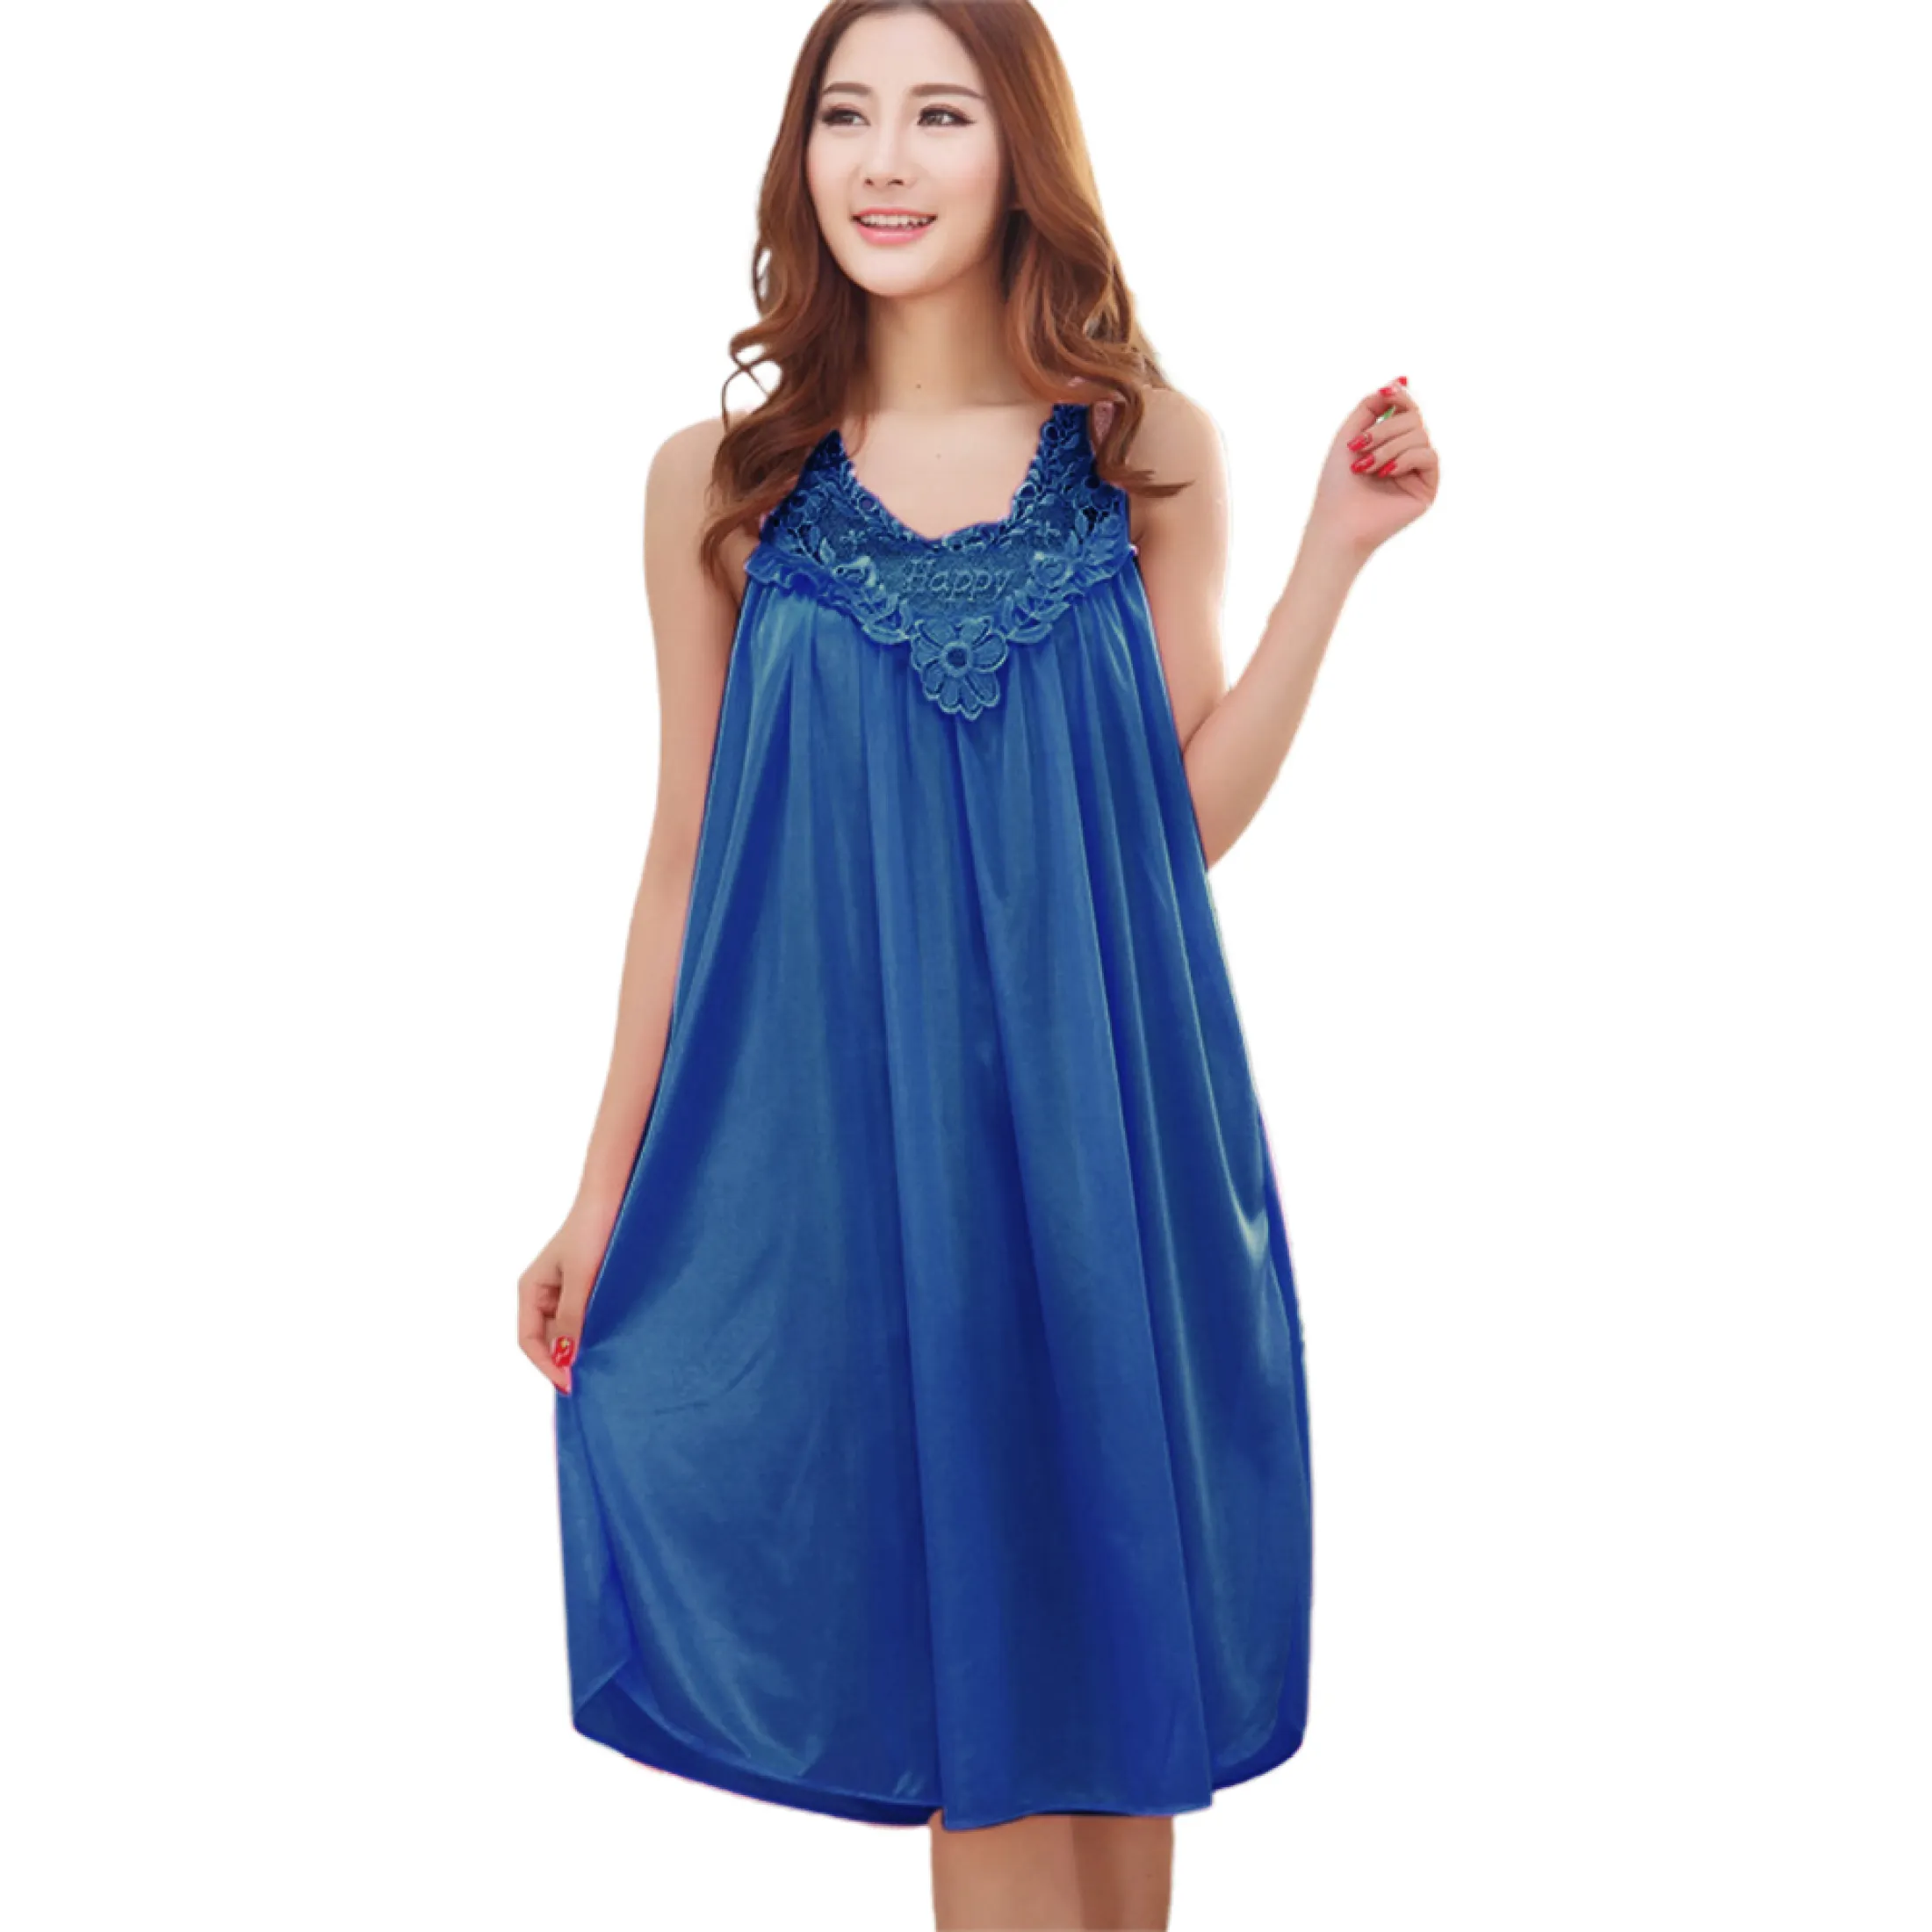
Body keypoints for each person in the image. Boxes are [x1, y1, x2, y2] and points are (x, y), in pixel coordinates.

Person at [518, 2, 1439, 1925]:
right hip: (859, 1160)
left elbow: (1174, 823)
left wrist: (1335, 557)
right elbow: (682, 855)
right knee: (984, 1687)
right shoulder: (719, 483)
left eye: (939, 115)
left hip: (1113, 1140)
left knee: (1108, 1687)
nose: (884, 161)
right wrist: (600, 1192)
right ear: (799, 157)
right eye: (845, 115)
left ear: (1021, 149)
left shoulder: (1140, 449)